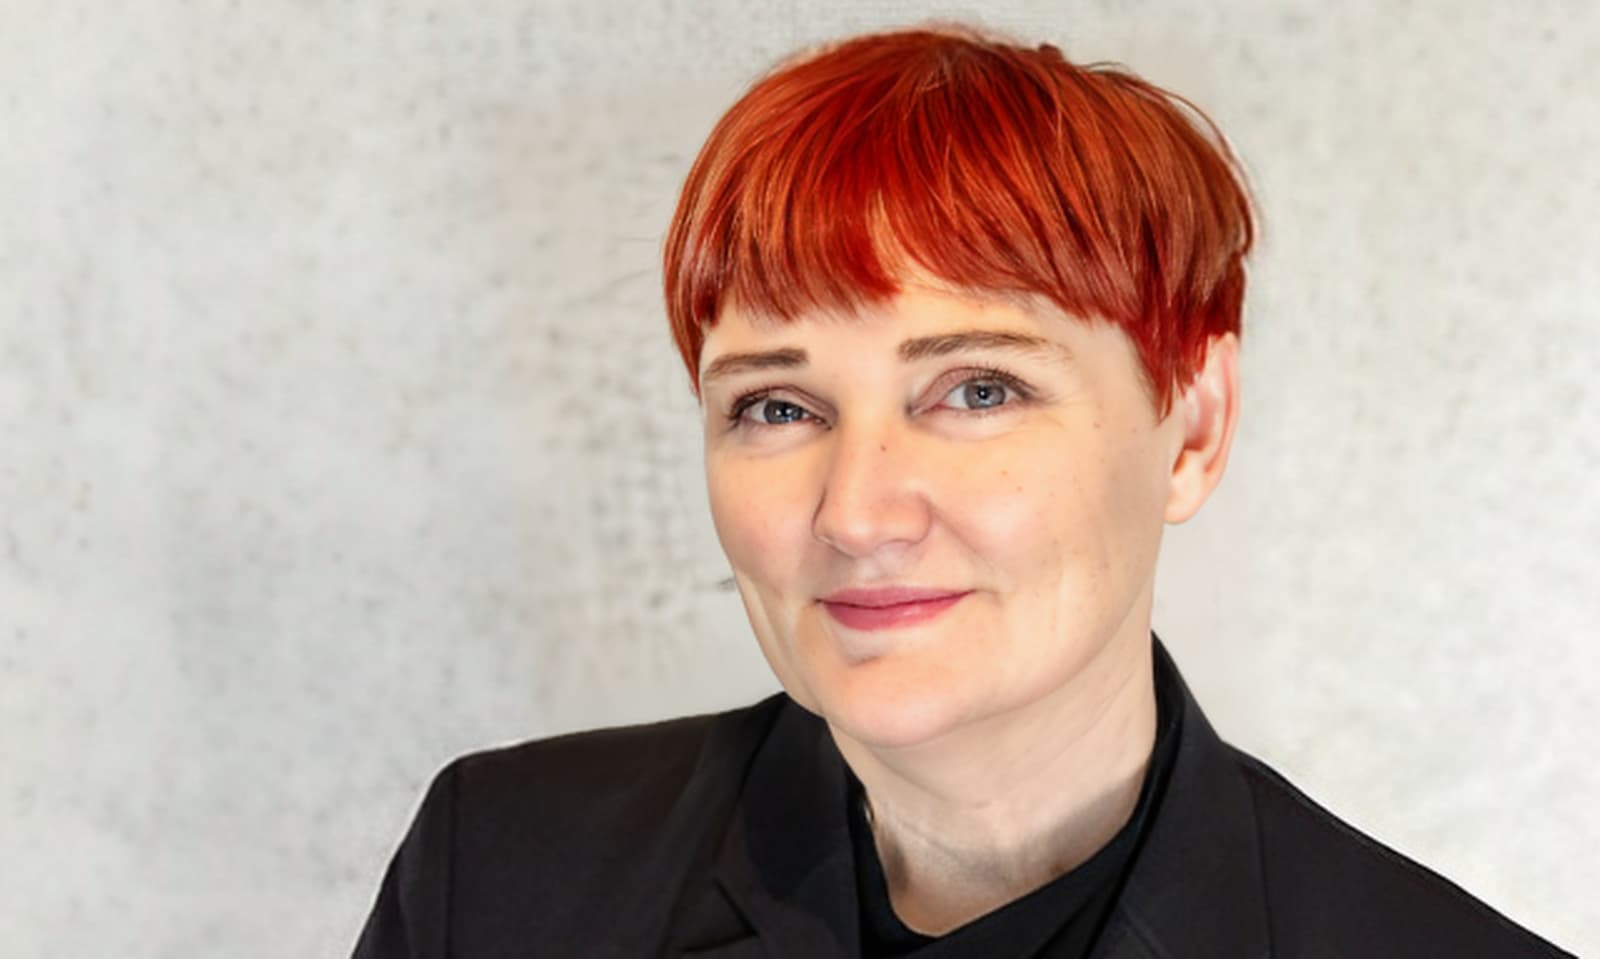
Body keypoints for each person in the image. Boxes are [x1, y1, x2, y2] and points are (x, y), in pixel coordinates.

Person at [353, 25, 1569, 958]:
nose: (857, 512)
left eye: (977, 389)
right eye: (777, 407)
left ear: (1191, 426)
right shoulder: (502, 875)